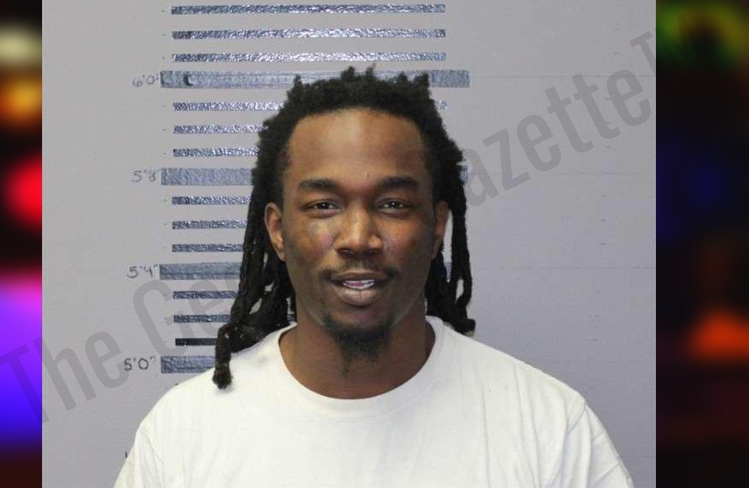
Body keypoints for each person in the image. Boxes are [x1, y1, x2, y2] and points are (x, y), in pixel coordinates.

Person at [115, 67, 633, 488]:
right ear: (277, 230)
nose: (359, 237)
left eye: (393, 204)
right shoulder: (184, 432)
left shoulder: (550, 428)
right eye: (324, 205)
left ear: (436, 228)